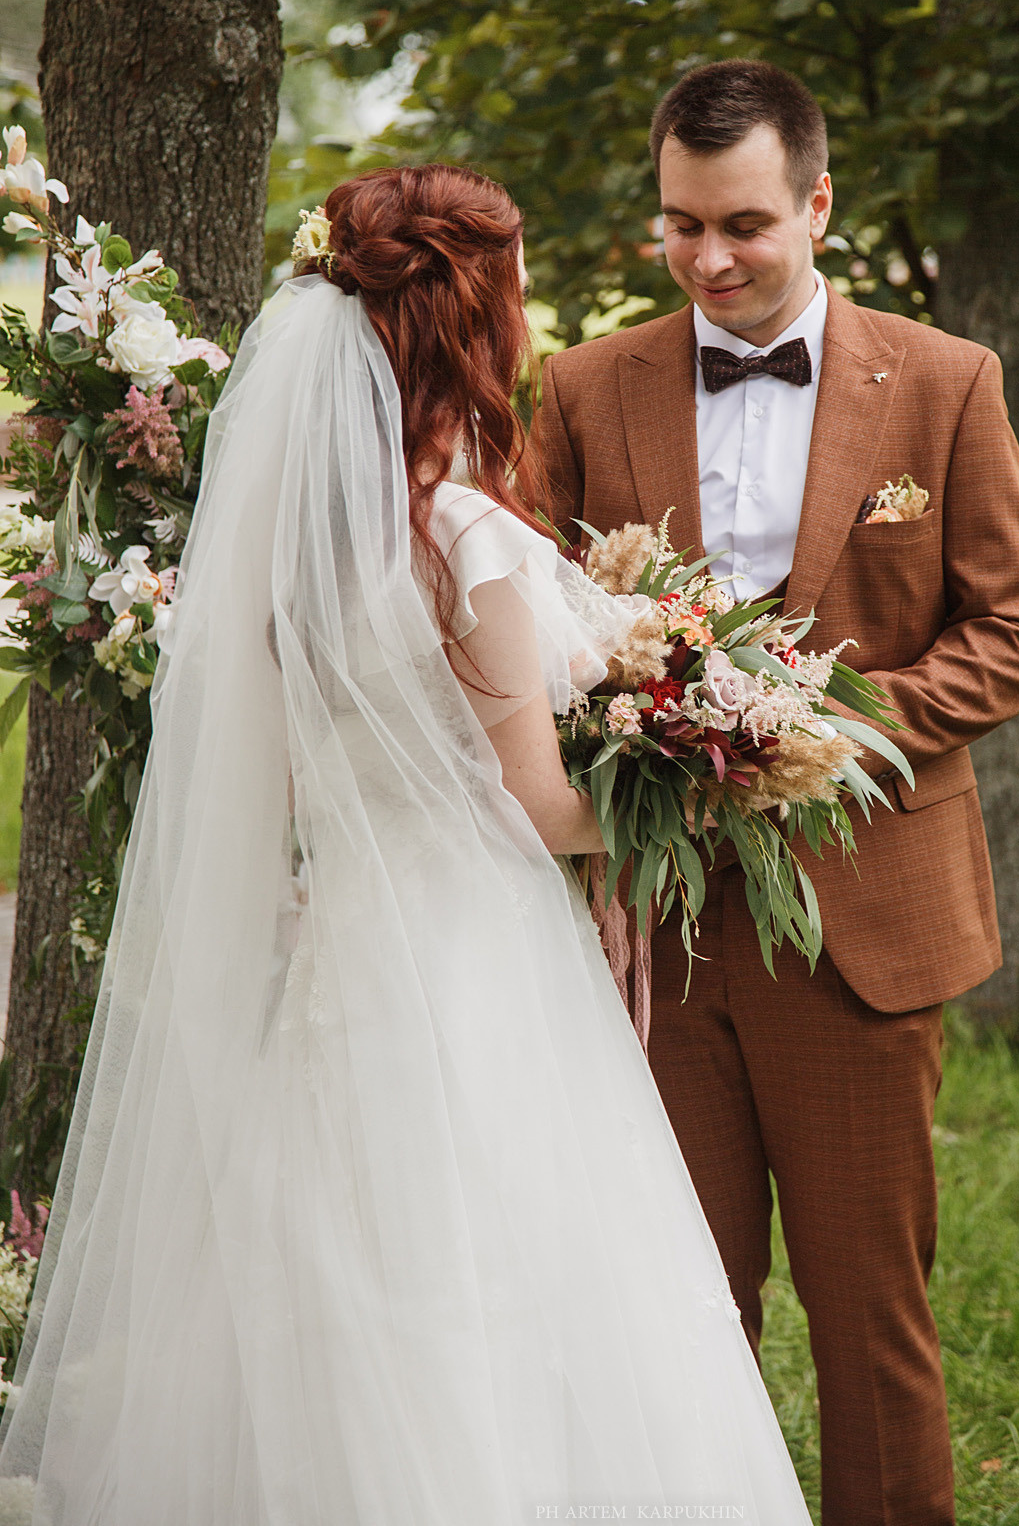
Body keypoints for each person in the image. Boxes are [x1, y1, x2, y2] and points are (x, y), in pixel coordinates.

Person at [0, 165, 815, 1525]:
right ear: (469, 317)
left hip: (348, 955)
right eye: (512, 288)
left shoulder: (313, 536)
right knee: (488, 1276)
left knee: (344, 1266)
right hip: (470, 958)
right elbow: (531, 800)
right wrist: (717, 773)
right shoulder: (465, 533)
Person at [535, 61, 1019, 1526]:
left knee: (868, 1324)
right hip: (653, 926)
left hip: (865, 928)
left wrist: (823, 725)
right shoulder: (585, 386)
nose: (711, 259)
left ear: (819, 206)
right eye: (682, 225)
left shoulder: (947, 381)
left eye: (747, 225)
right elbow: (530, 626)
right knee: (676, 1318)